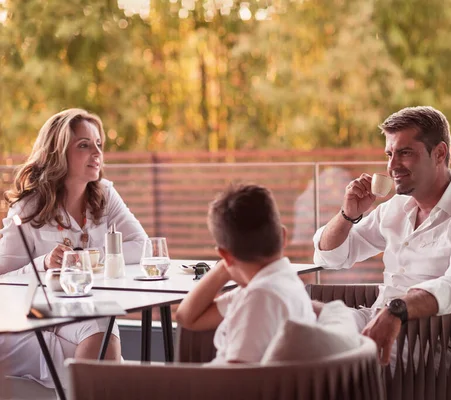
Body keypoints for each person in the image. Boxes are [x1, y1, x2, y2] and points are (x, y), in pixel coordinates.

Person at [313, 106, 451, 366]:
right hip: (378, 316)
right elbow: (332, 256)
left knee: (329, 358)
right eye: (389, 154)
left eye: (404, 153)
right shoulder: (398, 207)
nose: (392, 166)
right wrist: (348, 215)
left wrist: (397, 310)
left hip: (431, 338)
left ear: (439, 153)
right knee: (297, 321)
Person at [0, 108, 148, 387]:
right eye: (84, 145)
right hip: (36, 312)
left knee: (102, 327)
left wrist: (88, 259)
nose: (97, 153)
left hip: (80, 309)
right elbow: (2, 282)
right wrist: (44, 263)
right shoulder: (29, 208)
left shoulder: (104, 194)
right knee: (104, 351)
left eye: (98, 145)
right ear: (58, 154)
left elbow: (142, 246)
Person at [176, 184, 316, 364]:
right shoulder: (278, 282)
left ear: (225, 255)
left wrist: (227, 260)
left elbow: (239, 381)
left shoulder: (260, 297)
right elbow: (187, 317)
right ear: (283, 236)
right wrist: (225, 265)